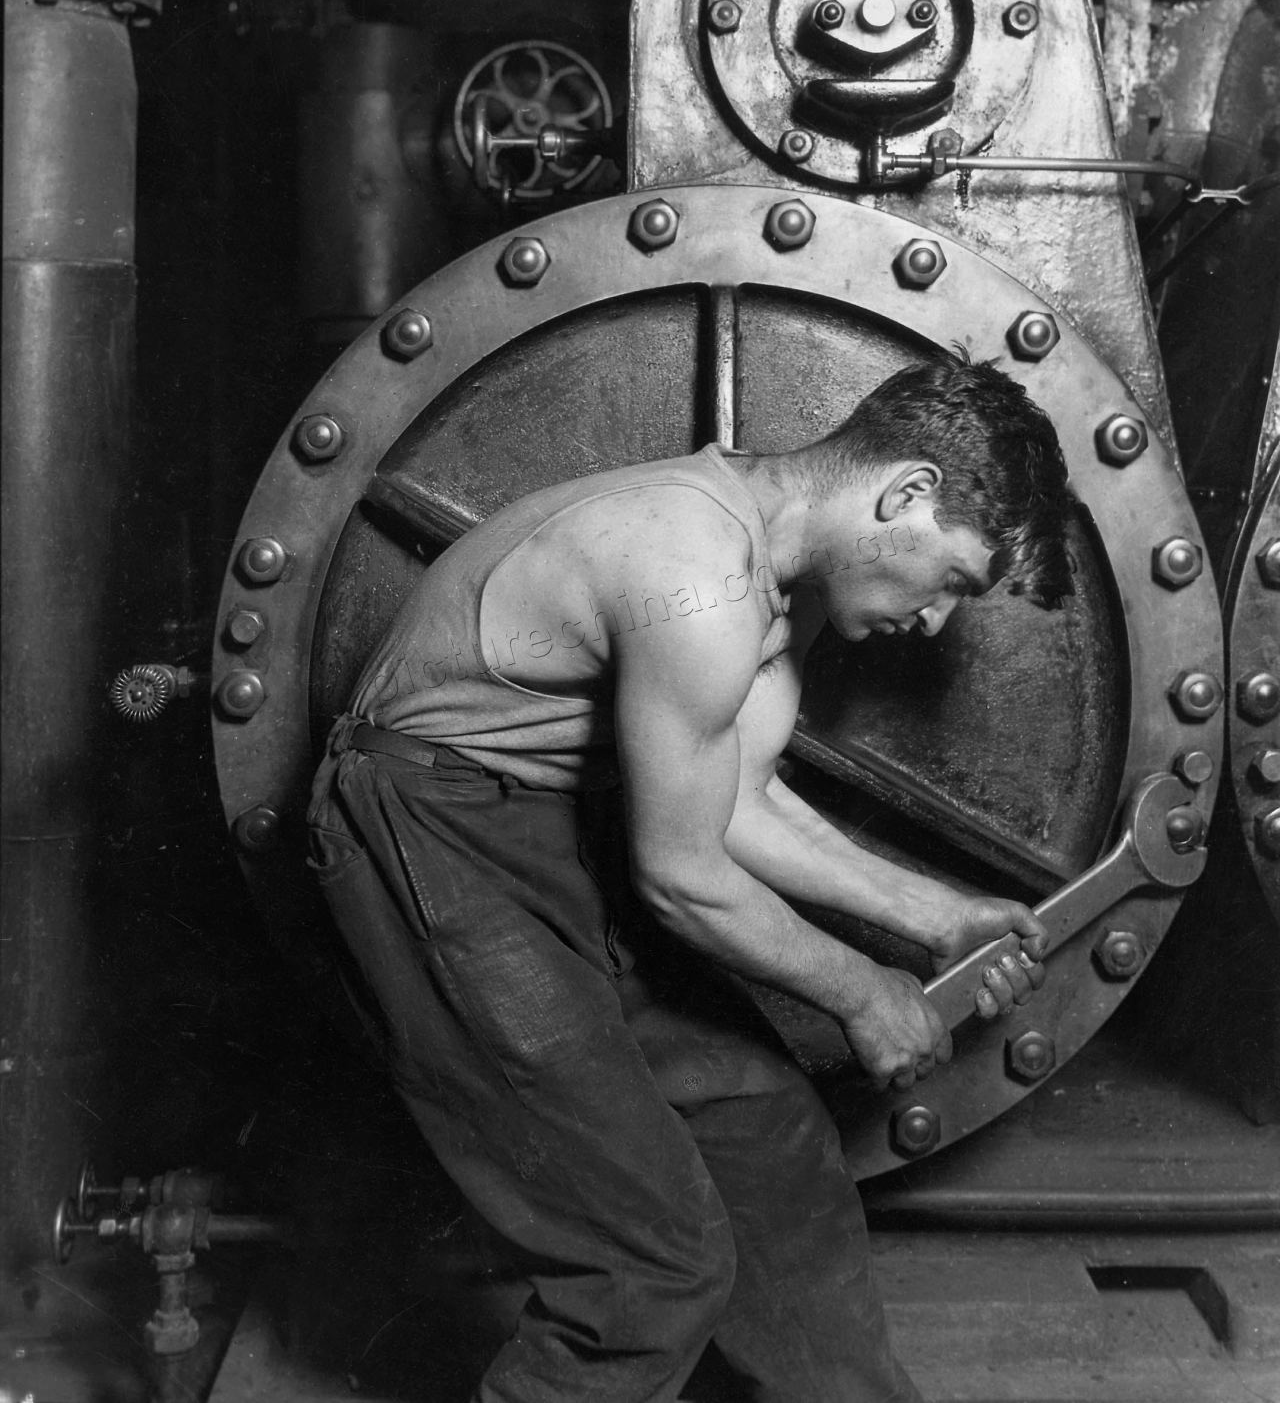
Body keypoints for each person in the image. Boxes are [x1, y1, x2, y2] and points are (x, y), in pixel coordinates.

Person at [306, 352, 1073, 1402]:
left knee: (766, 1139)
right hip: (428, 835)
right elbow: (677, 874)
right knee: (649, 1263)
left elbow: (737, 803)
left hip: (545, 828)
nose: (935, 622)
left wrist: (935, 915)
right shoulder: (692, 570)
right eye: (949, 581)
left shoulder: (777, 580)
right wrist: (862, 992)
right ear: (904, 493)